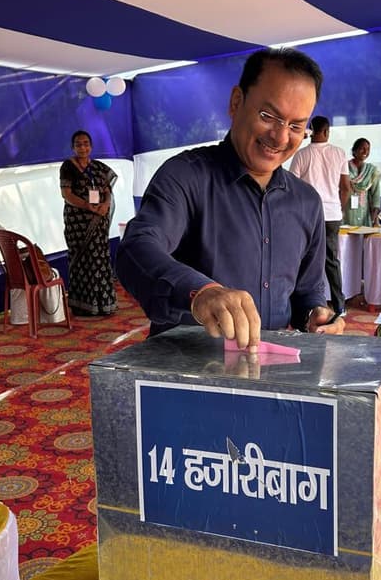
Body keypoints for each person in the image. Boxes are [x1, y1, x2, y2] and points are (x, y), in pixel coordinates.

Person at [116, 47, 345, 352]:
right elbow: (137, 248)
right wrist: (201, 292)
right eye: (268, 116)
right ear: (236, 102)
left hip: (271, 372)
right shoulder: (185, 176)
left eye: (295, 126)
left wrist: (315, 314)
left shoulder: (307, 202)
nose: (280, 137)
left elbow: (307, 290)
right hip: (186, 370)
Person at [289, 116, 351, 316]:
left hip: (307, 215)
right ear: (326, 131)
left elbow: (293, 188)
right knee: (331, 261)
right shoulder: (339, 153)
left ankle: (302, 306)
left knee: (303, 259)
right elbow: (346, 187)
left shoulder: (301, 155)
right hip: (332, 214)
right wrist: (339, 208)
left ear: (311, 130)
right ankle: (339, 306)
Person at [59, 130, 118, 316]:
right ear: (73, 147)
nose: (82, 148)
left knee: (100, 260)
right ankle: (83, 305)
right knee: (83, 261)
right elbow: (66, 194)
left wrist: (105, 205)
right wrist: (87, 205)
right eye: (78, 144)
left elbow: (107, 191)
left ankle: (103, 303)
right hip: (78, 224)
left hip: (98, 220)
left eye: (86, 144)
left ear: (91, 146)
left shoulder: (99, 167)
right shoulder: (68, 167)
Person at [343, 137, 381, 227]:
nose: (365, 152)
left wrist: (374, 216)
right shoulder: (344, 167)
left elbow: (376, 194)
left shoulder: (371, 170)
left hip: (364, 213)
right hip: (347, 212)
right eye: (362, 149)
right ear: (354, 150)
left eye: (368, 149)